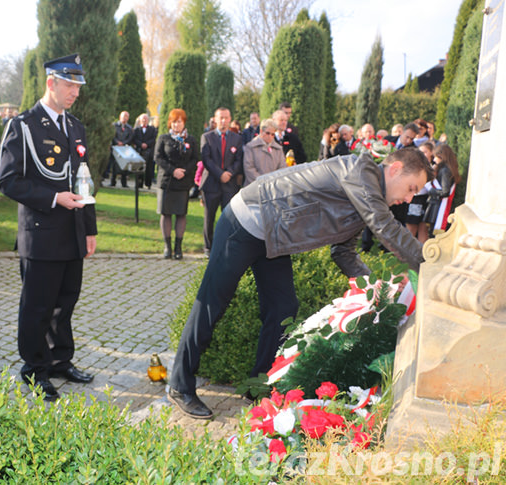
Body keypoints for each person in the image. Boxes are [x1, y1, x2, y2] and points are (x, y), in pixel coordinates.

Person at [167, 147, 433, 419]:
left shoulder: (365, 194)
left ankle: (258, 388)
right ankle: (179, 385)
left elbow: (343, 252)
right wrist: (430, 264)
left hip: (272, 238)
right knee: (212, 303)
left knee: (283, 308)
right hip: (245, 222)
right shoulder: (360, 172)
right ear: (395, 168)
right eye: (411, 188)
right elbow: (385, 227)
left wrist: (373, 286)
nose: (409, 198)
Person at [0, 53, 97, 402]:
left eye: (78, 87)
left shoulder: (75, 127)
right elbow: (8, 181)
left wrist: (89, 229)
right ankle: (34, 368)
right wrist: (55, 198)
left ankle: (60, 360)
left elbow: (84, 182)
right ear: (51, 83)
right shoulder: (23, 126)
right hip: (41, 234)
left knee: (65, 302)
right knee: (37, 307)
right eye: (70, 85)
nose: (75, 92)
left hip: (71, 232)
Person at [154, 108, 198, 259]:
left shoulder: (190, 140)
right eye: (173, 122)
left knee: (181, 214)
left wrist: (184, 171)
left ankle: (178, 248)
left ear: (184, 122)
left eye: (179, 122)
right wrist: (173, 171)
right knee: (165, 214)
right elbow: (158, 158)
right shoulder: (164, 138)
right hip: (167, 181)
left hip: (183, 182)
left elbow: (195, 159)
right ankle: (167, 247)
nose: (176, 125)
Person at [199, 107, 243, 256]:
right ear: (215, 119)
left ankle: (225, 246)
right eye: (220, 118)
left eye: (226, 117)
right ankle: (208, 247)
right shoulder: (207, 137)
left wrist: (229, 173)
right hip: (211, 183)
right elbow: (207, 160)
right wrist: (220, 174)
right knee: (209, 216)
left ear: (230, 119)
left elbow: (239, 160)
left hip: (229, 185)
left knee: (229, 217)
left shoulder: (236, 138)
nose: (223, 121)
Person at [423, 144, 460, 238]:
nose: (434, 160)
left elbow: (445, 192)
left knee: (433, 235)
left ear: (442, 156)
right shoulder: (445, 169)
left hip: (438, 206)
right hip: (436, 204)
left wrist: (431, 190)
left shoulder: (445, 171)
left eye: (436, 157)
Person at [406, 141, 437, 242]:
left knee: (423, 227)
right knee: (411, 227)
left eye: (425, 152)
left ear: (431, 153)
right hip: (415, 199)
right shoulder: (414, 166)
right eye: (420, 152)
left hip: (427, 199)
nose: (422, 155)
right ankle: (406, 253)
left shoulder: (434, 167)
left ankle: (422, 254)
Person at [243, 118, 286, 186]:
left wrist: (273, 182)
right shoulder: (251, 147)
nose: (270, 136)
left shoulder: (278, 149)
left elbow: (282, 167)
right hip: (255, 187)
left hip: (273, 187)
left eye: (273, 134)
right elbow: (249, 168)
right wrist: (263, 181)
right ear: (261, 131)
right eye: (268, 133)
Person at [107, 111, 133, 187]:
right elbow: (112, 135)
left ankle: (124, 183)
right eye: (123, 116)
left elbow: (130, 138)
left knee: (124, 165)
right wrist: (117, 142)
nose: (124, 118)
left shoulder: (129, 128)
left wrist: (123, 143)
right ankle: (113, 181)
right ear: (120, 117)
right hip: (115, 147)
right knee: (114, 165)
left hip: (124, 149)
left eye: (126, 117)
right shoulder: (114, 126)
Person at [133, 113, 157, 189]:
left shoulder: (152, 129)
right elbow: (134, 139)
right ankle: (139, 184)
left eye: (145, 119)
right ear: (140, 120)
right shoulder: (136, 130)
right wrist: (141, 144)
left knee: (149, 168)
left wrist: (146, 144)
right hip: (139, 151)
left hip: (149, 151)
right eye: (142, 119)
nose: (144, 120)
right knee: (139, 168)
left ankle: (148, 184)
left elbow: (153, 139)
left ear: (148, 120)